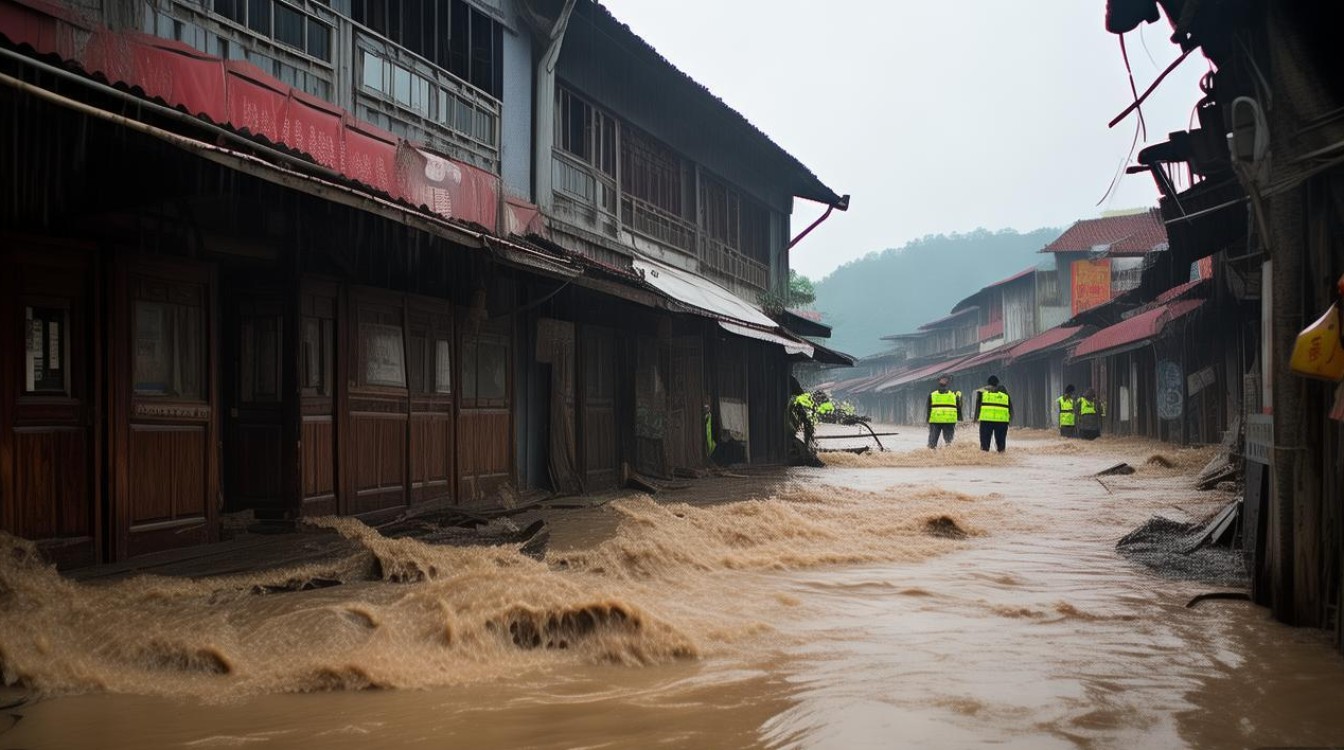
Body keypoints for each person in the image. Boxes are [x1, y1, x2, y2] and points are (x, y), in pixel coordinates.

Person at [974, 374, 1012, 452]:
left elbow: (978, 406)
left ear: (988, 383)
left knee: (985, 446)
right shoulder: (1004, 392)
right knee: (1001, 447)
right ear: (997, 383)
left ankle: (986, 458)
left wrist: (976, 419)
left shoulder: (982, 392)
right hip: (1002, 421)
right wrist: (1009, 419)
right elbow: (1009, 406)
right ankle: (1001, 457)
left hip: (986, 421)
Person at [926, 376, 961, 449]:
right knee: (949, 442)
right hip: (949, 420)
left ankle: (932, 453)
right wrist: (960, 418)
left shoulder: (932, 395)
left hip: (935, 420)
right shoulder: (954, 395)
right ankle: (949, 453)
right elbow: (958, 407)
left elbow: (928, 409)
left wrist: (927, 419)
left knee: (932, 443)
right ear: (949, 383)